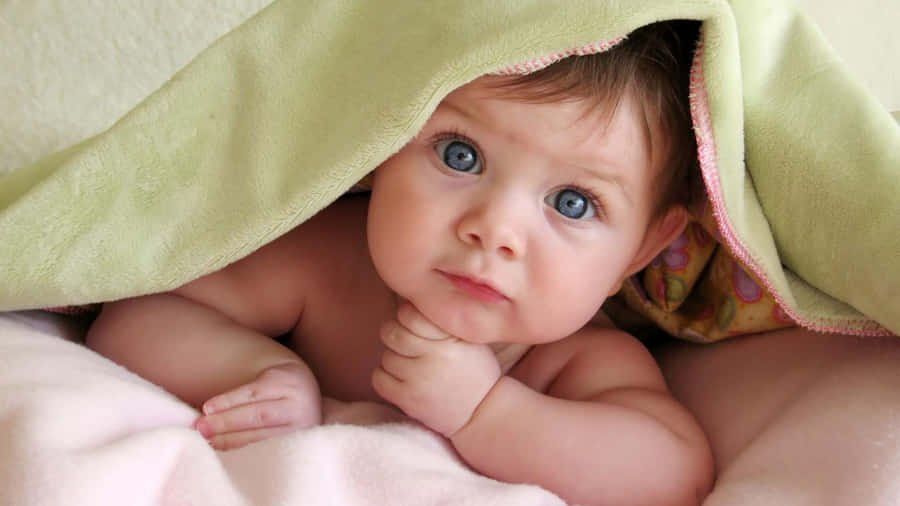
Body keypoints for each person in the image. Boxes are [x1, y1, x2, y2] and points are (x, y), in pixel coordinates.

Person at [86, 21, 714, 506]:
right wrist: (258, 369)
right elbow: (141, 309)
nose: (494, 230)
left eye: (572, 203)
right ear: (381, 145)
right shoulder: (331, 261)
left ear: (641, 248)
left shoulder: (576, 361)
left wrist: (487, 412)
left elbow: (670, 474)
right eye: (461, 155)